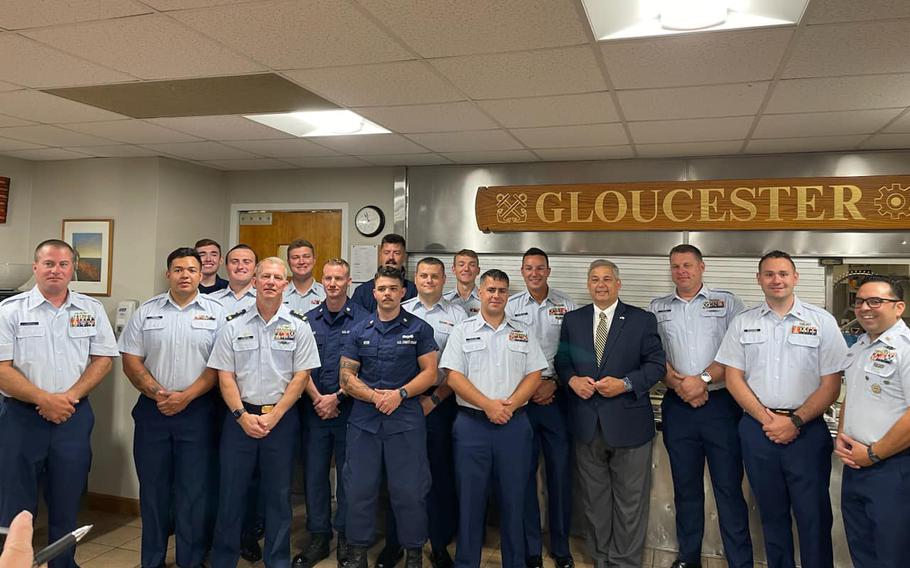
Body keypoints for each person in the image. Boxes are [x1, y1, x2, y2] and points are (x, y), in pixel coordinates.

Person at [716, 250, 846, 568]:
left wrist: (795, 420)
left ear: (795, 278)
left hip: (807, 431)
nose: (777, 280)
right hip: (758, 431)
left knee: (813, 517)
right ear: (759, 279)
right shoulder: (743, 322)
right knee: (771, 516)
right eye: (770, 274)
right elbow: (733, 378)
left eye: (783, 273)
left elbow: (832, 383)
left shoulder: (822, 322)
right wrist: (768, 420)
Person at [0, 239, 118, 568]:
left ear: (72, 270)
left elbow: (103, 359)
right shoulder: (10, 311)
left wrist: (69, 398)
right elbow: (1, 369)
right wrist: (43, 399)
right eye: (49, 264)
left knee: (68, 499)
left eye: (63, 264)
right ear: (36, 267)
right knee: (16, 504)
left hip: (73, 417)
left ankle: (63, 563)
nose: (56, 270)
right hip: (21, 419)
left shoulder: (90, 310)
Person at [207, 257, 321, 568]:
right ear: (255, 281)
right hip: (238, 420)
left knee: (278, 498)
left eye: (277, 277)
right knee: (230, 496)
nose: (271, 281)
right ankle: (223, 560)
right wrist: (242, 416)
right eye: (265, 276)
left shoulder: (299, 325)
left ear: (286, 284)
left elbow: (302, 376)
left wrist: (275, 415)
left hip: (280, 421)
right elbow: (225, 375)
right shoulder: (233, 325)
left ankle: (277, 561)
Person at [118, 247, 225, 568]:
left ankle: (189, 560)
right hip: (154, 411)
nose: (185, 275)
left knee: (194, 492)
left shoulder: (217, 313)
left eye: (191, 270)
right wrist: (158, 393)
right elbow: (131, 360)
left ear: (201, 274)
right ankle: (151, 560)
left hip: (199, 412)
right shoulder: (147, 312)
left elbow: (220, 366)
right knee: (153, 491)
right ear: (169, 274)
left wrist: (187, 396)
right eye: (178, 269)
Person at [555, 259, 664, 568]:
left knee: (630, 502)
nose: (600, 285)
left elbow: (656, 364)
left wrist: (627, 384)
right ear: (588, 285)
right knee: (594, 501)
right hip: (586, 424)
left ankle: (624, 562)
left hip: (628, 424)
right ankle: (602, 558)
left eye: (606, 279)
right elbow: (563, 361)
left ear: (618, 284)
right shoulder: (573, 320)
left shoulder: (642, 320)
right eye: (594, 279)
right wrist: (572, 380)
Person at [648, 245, 752, 568]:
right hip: (678, 406)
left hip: (721, 406)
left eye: (688, 265)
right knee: (686, 489)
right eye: (676, 266)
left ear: (702, 267)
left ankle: (740, 561)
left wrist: (702, 380)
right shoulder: (657, 307)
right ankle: (688, 557)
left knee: (728, 490)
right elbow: (653, 354)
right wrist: (680, 384)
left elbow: (738, 351)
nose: (682, 271)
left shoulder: (728, 302)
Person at [440, 268, 547, 568]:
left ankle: (515, 562)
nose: (496, 295)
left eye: (502, 291)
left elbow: (535, 374)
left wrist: (508, 407)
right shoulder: (463, 329)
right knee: (470, 503)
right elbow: (453, 376)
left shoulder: (523, 331)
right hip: (472, 426)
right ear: (481, 292)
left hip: (514, 426)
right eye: (490, 290)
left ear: (507, 295)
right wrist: (488, 405)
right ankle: (466, 563)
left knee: (514, 501)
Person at [339, 266, 438, 568]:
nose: (387, 294)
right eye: (382, 288)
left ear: (402, 292)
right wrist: (374, 396)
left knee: (409, 491)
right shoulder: (359, 330)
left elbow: (431, 373)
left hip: (405, 420)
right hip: (364, 422)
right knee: (359, 489)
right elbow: (346, 376)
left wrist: (400, 395)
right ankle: (357, 552)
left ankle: (412, 554)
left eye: (393, 288)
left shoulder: (419, 329)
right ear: (374, 292)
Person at [378, 257, 467, 568]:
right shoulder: (402, 310)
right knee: (398, 477)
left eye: (435, 276)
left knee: (438, 476)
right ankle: (395, 543)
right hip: (400, 405)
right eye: (424, 275)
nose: (429, 280)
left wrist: (435, 400)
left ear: (445, 280)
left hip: (440, 405)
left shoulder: (459, 315)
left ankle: (438, 543)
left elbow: (458, 366)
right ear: (416, 278)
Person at [292, 259, 368, 568]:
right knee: (314, 476)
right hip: (314, 410)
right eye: (328, 278)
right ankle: (319, 536)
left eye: (339, 278)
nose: (333, 283)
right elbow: (300, 366)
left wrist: (336, 396)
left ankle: (348, 538)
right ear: (322, 282)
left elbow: (367, 366)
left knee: (350, 477)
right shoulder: (307, 319)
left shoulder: (365, 319)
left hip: (351, 411)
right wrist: (319, 398)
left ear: (349, 281)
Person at [505, 247, 576, 568]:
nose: (534, 273)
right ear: (522, 271)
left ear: (548, 270)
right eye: (528, 268)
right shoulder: (508, 305)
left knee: (559, 475)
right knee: (523, 475)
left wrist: (555, 383)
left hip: (555, 396)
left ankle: (561, 549)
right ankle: (531, 547)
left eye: (540, 268)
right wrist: (527, 390)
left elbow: (576, 354)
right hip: (521, 400)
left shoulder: (567, 306)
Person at [835, 276, 910, 568]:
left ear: (898, 307)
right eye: (860, 301)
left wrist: (874, 453)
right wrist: (842, 436)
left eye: (875, 301)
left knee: (893, 553)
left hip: (892, 468)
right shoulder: (859, 346)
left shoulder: (905, 349)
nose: (865, 308)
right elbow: (851, 397)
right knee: (862, 549)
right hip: (856, 466)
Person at [205, 243, 262, 560]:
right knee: (221, 473)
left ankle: (249, 534)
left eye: (247, 261)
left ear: (255, 269)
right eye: (235, 261)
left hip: (253, 399)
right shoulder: (210, 303)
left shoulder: (265, 298)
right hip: (216, 398)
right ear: (227, 267)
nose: (241, 266)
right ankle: (218, 536)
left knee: (254, 477)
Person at [350, 234, 417, 313]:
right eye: (386, 252)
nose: (391, 257)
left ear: (404, 257)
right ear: (380, 255)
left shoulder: (414, 291)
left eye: (397, 253)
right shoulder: (362, 292)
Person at [206, 244, 258, 314]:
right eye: (234, 262)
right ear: (226, 267)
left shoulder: (266, 300)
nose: (240, 267)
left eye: (246, 262)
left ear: (255, 268)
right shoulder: (210, 300)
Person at [284, 239, 326, 313]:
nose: (301, 262)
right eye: (295, 258)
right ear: (288, 262)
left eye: (306, 256)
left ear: (314, 260)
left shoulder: (326, 294)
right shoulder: (279, 294)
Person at [442, 249, 481, 316]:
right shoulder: (444, 300)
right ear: (453, 269)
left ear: (478, 270)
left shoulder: (487, 300)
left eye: (472, 265)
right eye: (461, 265)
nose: (466, 269)